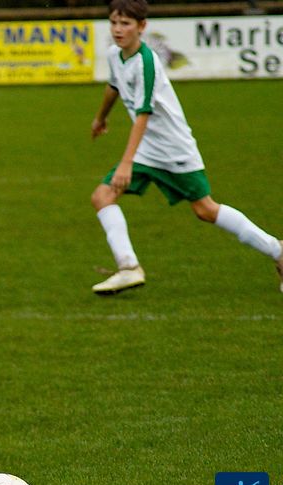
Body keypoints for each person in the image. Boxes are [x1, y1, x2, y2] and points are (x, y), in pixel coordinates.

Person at [89, 0, 282, 295]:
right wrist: (101, 118)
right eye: (114, 22)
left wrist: (126, 163)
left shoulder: (147, 63)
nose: (118, 29)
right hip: (146, 148)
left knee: (205, 209)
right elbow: (113, 86)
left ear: (142, 27)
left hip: (172, 149)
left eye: (125, 24)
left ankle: (277, 251)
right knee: (102, 196)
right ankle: (128, 267)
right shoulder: (115, 54)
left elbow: (143, 114)